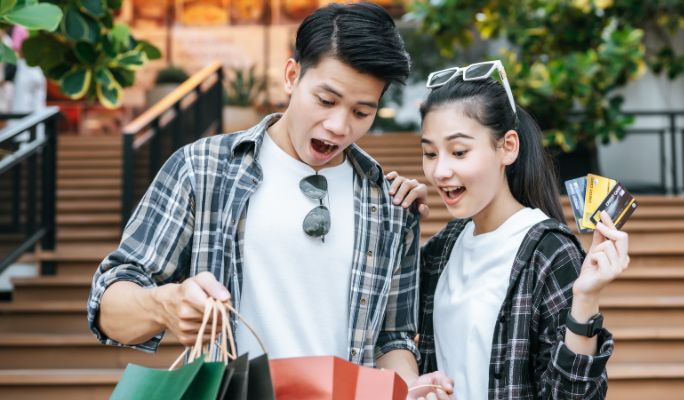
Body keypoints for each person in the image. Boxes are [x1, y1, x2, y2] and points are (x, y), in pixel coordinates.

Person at [87, 3, 451, 398]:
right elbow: (108, 305)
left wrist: (410, 388)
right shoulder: (203, 169)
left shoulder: (391, 203)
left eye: (362, 112)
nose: (339, 126)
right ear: (292, 76)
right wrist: (165, 304)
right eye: (326, 101)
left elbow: (392, 340)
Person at [393, 60, 630, 399]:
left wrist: (586, 296)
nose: (440, 171)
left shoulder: (549, 250)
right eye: (430, 153)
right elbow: (385, 323)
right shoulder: (444, 247)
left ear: (507, 147)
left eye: (459, 151)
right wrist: (398, 221)